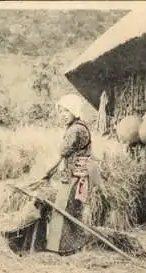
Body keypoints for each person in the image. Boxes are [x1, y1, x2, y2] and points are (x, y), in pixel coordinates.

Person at [42, 94, 101, 255]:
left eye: (66, 111)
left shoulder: (75, 130)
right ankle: (71, 246)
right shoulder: (80, 126)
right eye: (60, 111)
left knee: (64, 210)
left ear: (74, 111)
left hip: (73, 177)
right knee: (73, 210)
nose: (62, 115)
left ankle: (64, 248)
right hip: (78, 176)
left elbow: (61, 154)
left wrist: (48, 171)